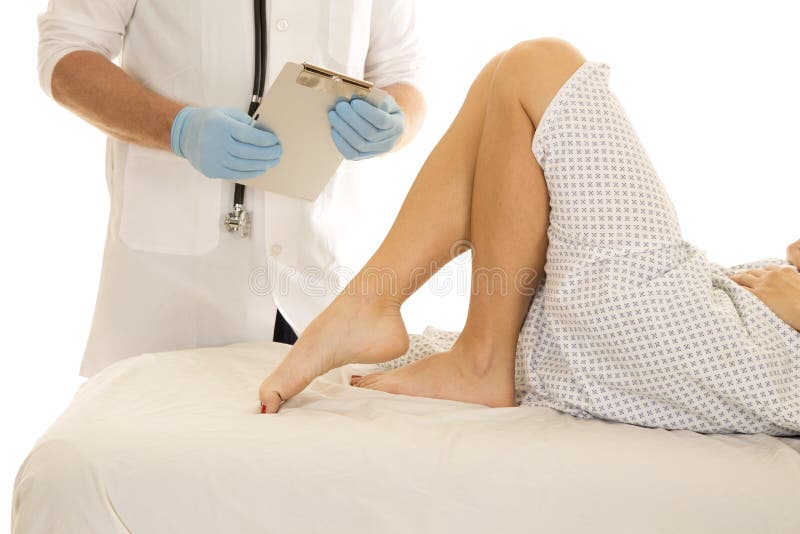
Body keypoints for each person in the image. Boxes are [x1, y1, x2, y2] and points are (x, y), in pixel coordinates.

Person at [257, 37, 800, 436]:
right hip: (676, 337)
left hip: (684, 330)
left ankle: (480, 360)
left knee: (537, 68)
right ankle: (370, 306)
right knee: (502, 77)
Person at [37, 1, 427, 377]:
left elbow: (402, 75)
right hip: (171, 289)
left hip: (317, 280)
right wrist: (177, 129)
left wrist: (394, 126)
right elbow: (66, 53)